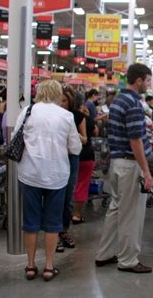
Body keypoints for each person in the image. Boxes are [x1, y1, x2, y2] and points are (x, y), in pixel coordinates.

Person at [14, 80, 81, 282]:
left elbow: (15, 138)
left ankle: (31, 265)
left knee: (31, 221)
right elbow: (75, 148)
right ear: (58, 94)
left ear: (40, 92)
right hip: (57, 175)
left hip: (29, 174)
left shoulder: (28, 111)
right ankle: (49, 266)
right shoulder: (66, 115)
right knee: (53, 222)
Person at [95, 63, 153, 274]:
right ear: (138, 80)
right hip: (130, 165)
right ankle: (128, 260)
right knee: (131, 214)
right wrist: (146, 172)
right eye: (147, 80)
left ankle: (104, 253)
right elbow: (135, 140)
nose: (148, 84)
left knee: (116, 209)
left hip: (117, 163)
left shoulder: (118, 99)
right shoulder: (133, 103)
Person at [55, 88, 88, 253]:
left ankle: (63, 231)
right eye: (59, 100)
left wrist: (72, 134)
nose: (61, 104)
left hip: (71, 159)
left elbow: (85, 139)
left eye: (64, 100)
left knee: (68, 197)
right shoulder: (52, 116)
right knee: (54, 197)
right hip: (54, 158)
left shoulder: (77, 116)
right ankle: (53, 235)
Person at [72, 102, 97, 224]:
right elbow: (96, 131)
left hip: (69, 155)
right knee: (82, 185)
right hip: (86, 155)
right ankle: (76, 215)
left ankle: (68, 212)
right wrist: (88, 116)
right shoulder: (85, 118)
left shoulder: (63, 116)